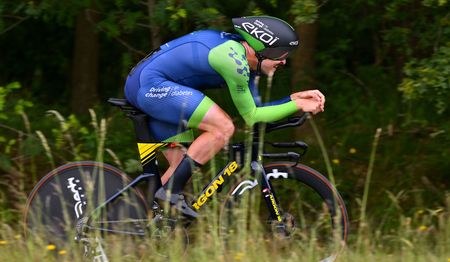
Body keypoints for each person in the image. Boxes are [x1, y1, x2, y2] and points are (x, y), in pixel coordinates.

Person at [123, 16, 325, 210]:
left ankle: (142, 219)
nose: (283, 62)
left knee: (181, 168)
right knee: (223, 128)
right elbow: (252, 116)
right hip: (150, 86)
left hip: (154, 87)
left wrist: (292, 100)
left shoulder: (244, 60)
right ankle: (168, 196)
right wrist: (297, 105)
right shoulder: (233, 60)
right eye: (281, 55)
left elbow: (258, 112)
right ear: (261, 49)